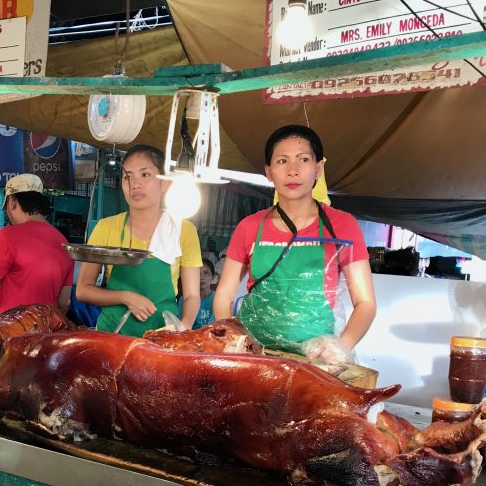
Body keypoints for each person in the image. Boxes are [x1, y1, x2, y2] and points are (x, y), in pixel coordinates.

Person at [213, 125, 375, 363]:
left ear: (318, 168)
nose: (293, 170)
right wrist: (233, 339)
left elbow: (365, 303)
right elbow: (224, 295)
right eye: (282, 161)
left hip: (317, 361)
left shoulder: (342, 226)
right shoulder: (249, 227)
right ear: (268, 171)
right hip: (256, 358)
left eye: (303, 159)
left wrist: (341, 345)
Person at [76, 144, 203, 336]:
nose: (135, 184)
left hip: (161, 341)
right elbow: (83, 290)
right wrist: (126, 297)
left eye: (145, 175)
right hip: (112, 337)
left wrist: (184, 326)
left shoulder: (183, 230)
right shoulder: (106, 228)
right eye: (127, 177)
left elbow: (192, 295)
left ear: (165, 183)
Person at [0, 174, 73, 316]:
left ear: (12, 201)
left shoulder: (7, 236)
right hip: (45, 333)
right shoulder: (64, 243)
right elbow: (63, 303)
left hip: (6, 334)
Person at [193, 259, 215, 329]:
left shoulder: (218, 299)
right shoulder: (184, 300)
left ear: (213, 276)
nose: (201, 277)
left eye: (206, 273)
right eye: (197, 273)